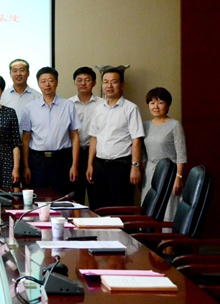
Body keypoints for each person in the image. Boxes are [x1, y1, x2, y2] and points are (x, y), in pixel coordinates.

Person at [86, 68, 144, 210]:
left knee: (121, 207)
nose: (109, 86)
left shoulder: (131, 108)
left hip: (121, 166)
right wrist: (90, 164)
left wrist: (135, 167)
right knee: (99, 207)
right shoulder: (98, 109)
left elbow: (136, 140)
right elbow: (94, 138)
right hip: (100, 166)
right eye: (106, 82)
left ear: (122, 85)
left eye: (114, 82)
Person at [20, 67, 80, 196]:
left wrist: (74, 165)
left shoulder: (68, 105)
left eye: (51, 80)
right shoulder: (30, 107)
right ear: (38, 84)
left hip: (61, 160)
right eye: (43, 81)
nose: (47, 84)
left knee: (61, 198)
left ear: (56, 82)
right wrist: (26, 166)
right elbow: (26, 138)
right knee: (38, 198)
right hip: (37, 161)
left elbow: (74, 136)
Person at [141, 87, 187, 222]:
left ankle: (167, 236)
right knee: (149, 209)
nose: (156, 107)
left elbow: (181, 154)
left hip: (169, 173)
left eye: (160, 103)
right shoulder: (145, 126)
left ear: (167, 105)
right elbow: (143, 154)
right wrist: (141, 173)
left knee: (167, 209)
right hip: (149, 173)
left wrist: (178, 177)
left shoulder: (175, 125)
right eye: (152, 103)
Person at [68, 67, 105, 204]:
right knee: (75, 196)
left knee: (96, 195)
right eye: (79, 80)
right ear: (74, 82)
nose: (83, 83)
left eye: (87, 80)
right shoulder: (68, 104)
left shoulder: (103, 104)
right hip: (73, 154)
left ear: (94, 83)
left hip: (95, 154)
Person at [0, 59, 42, 134]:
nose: (18, 74)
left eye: (22, 70)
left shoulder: (38, 96)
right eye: (15, 71)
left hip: (31, 140)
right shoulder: (2, 97)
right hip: (9, 140)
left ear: (28, 73)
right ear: (10, 74)